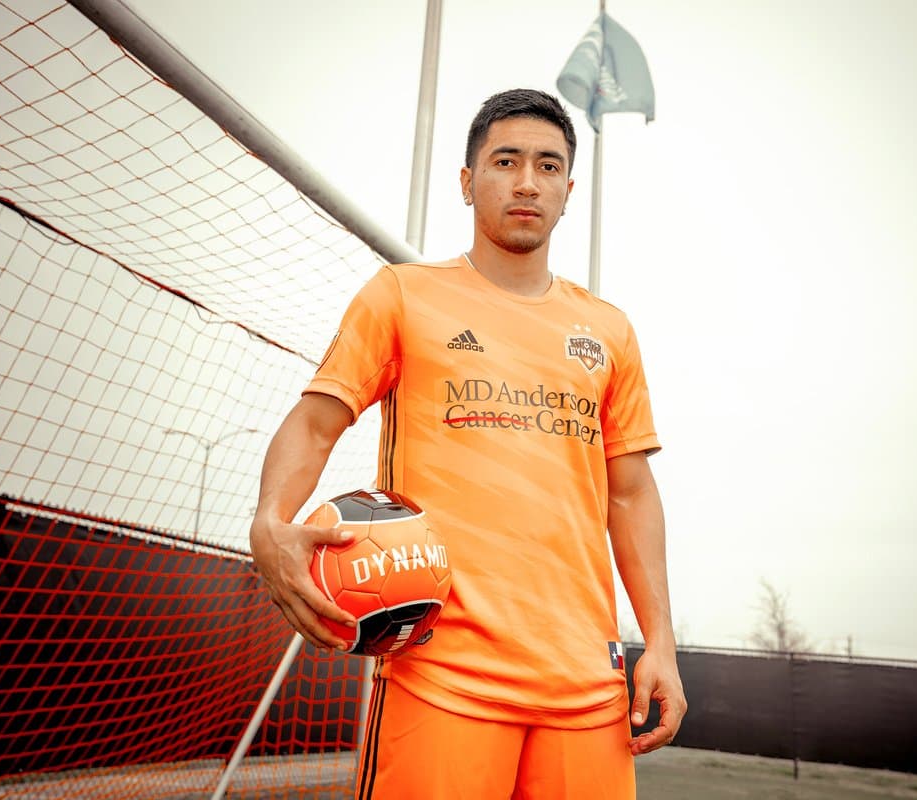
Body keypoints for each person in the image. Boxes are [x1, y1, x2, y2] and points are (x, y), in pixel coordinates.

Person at [249, 88, 685, 799]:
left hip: (588, 688)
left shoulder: (608, 330)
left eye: (548, 166)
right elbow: (315, 422)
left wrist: (659, 643)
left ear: (567, 191)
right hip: (443, 674)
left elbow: (631, 492)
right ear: (466, 180)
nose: (525, 181)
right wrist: (270, 522)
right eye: (504, 160)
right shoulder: (400, 295)